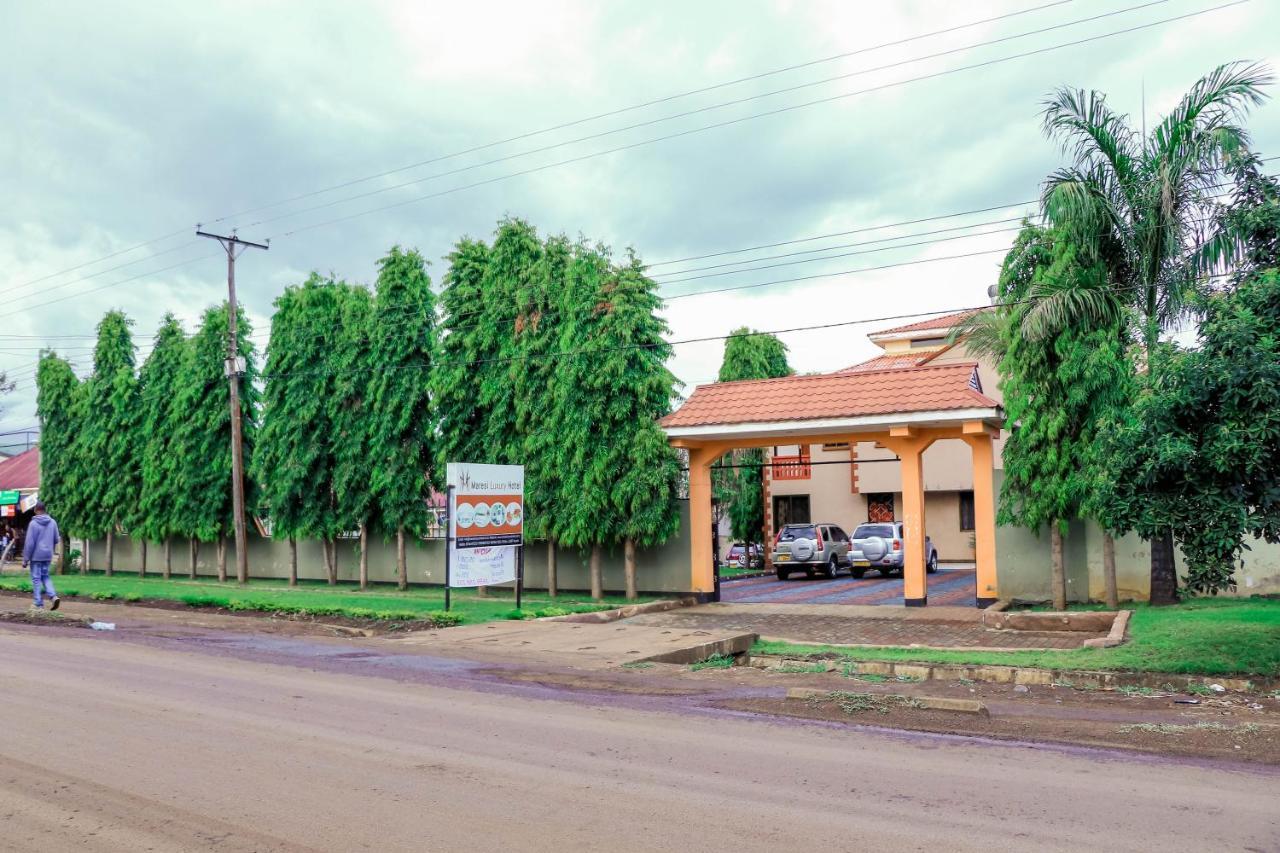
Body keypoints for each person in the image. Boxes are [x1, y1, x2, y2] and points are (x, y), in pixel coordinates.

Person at [22, 503, 60, 611]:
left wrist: (25, 559)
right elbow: (57, 539)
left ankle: (38, 603)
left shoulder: (33, 524)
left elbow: (30, 543)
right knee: (45, 576)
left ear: (35, 510)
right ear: (45, 510)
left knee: (36, 579)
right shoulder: (52, 522)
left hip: (36, 556)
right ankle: (53, 597)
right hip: (48, 555)